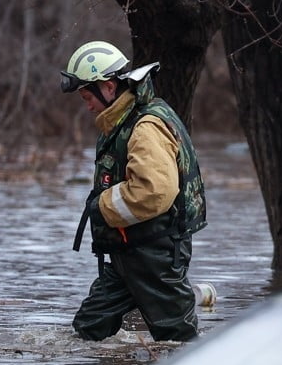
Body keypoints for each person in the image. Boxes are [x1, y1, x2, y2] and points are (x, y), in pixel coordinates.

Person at [61, 40, 207, 342]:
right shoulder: (123, 122)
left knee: (178, 341)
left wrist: (102, 207)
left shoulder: (145, 126)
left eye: (88, 96)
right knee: (88, 330)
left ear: (110, 87)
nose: (87, 105)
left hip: (155, 255)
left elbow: (154, 192)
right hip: (128, 252)